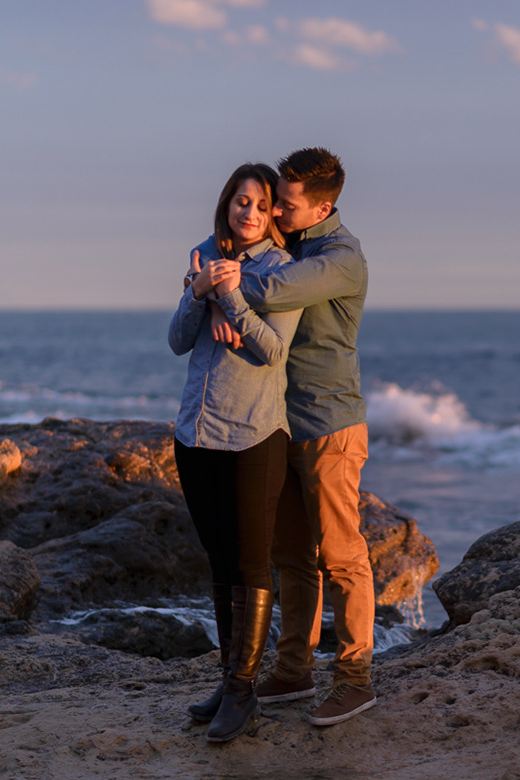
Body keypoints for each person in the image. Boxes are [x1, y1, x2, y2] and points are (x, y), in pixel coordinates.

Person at [198, 147, 374, 726]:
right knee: (291, 557)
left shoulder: (341, 257)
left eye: (287, 205)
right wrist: (208, 277)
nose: (275, 213)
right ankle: (294, 670)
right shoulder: (288, 247)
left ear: (324, 205)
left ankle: (355, 679)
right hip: (276, 424)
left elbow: (270, 292)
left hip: (329, 425)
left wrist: (211, 278)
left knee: (342, 556)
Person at [168, 162, 301, 743]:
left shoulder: (282, 269)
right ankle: (229, 678)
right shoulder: (203, 253)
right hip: (195, 433)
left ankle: (245, 691)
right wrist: (200, 293)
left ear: (275, 211)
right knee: (220, 561)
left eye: (259, 203)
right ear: (227, 204)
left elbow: (273, 350)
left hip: (252, 434)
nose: (247, 211)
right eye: (239, 201)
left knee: (250, 562)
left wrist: (230, 298)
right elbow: (176, 340)